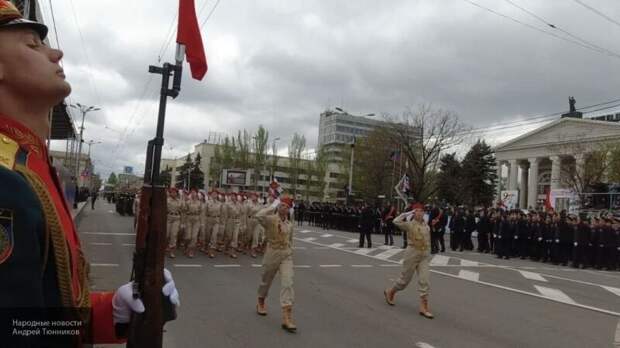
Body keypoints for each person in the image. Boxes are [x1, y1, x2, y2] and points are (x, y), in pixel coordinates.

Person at [0, 2, 179, 345]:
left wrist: (113, 311)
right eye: (32, 45)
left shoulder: (32, 165)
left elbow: (41, 318)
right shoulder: (6, 179)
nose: (56, 53)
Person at [383, 203, 433, 319]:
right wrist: (406, 213)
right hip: (411, 254)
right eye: (417, 211)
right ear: (413, 213)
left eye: (421, 211)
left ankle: (424, 307)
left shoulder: (426, 226)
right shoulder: (409, 225)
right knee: (404, 281)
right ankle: (391, 291)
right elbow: (395, 221)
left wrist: (428, 254)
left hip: (423, 256)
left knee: (424, 281)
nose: (419, 213)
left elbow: (428, 241)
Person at [254, 196, 297, 333]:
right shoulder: (271, 219)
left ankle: (287, 317)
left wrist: (290, 251)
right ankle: (261, 300)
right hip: (272, 252)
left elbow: (290, 240)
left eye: (286, 206)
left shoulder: (290, 224)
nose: (284, 208)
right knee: (266, 280)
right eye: (282, 205)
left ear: (289, 209)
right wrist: (272, 206)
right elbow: (258, 216)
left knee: (288, 282)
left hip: (286, 255)